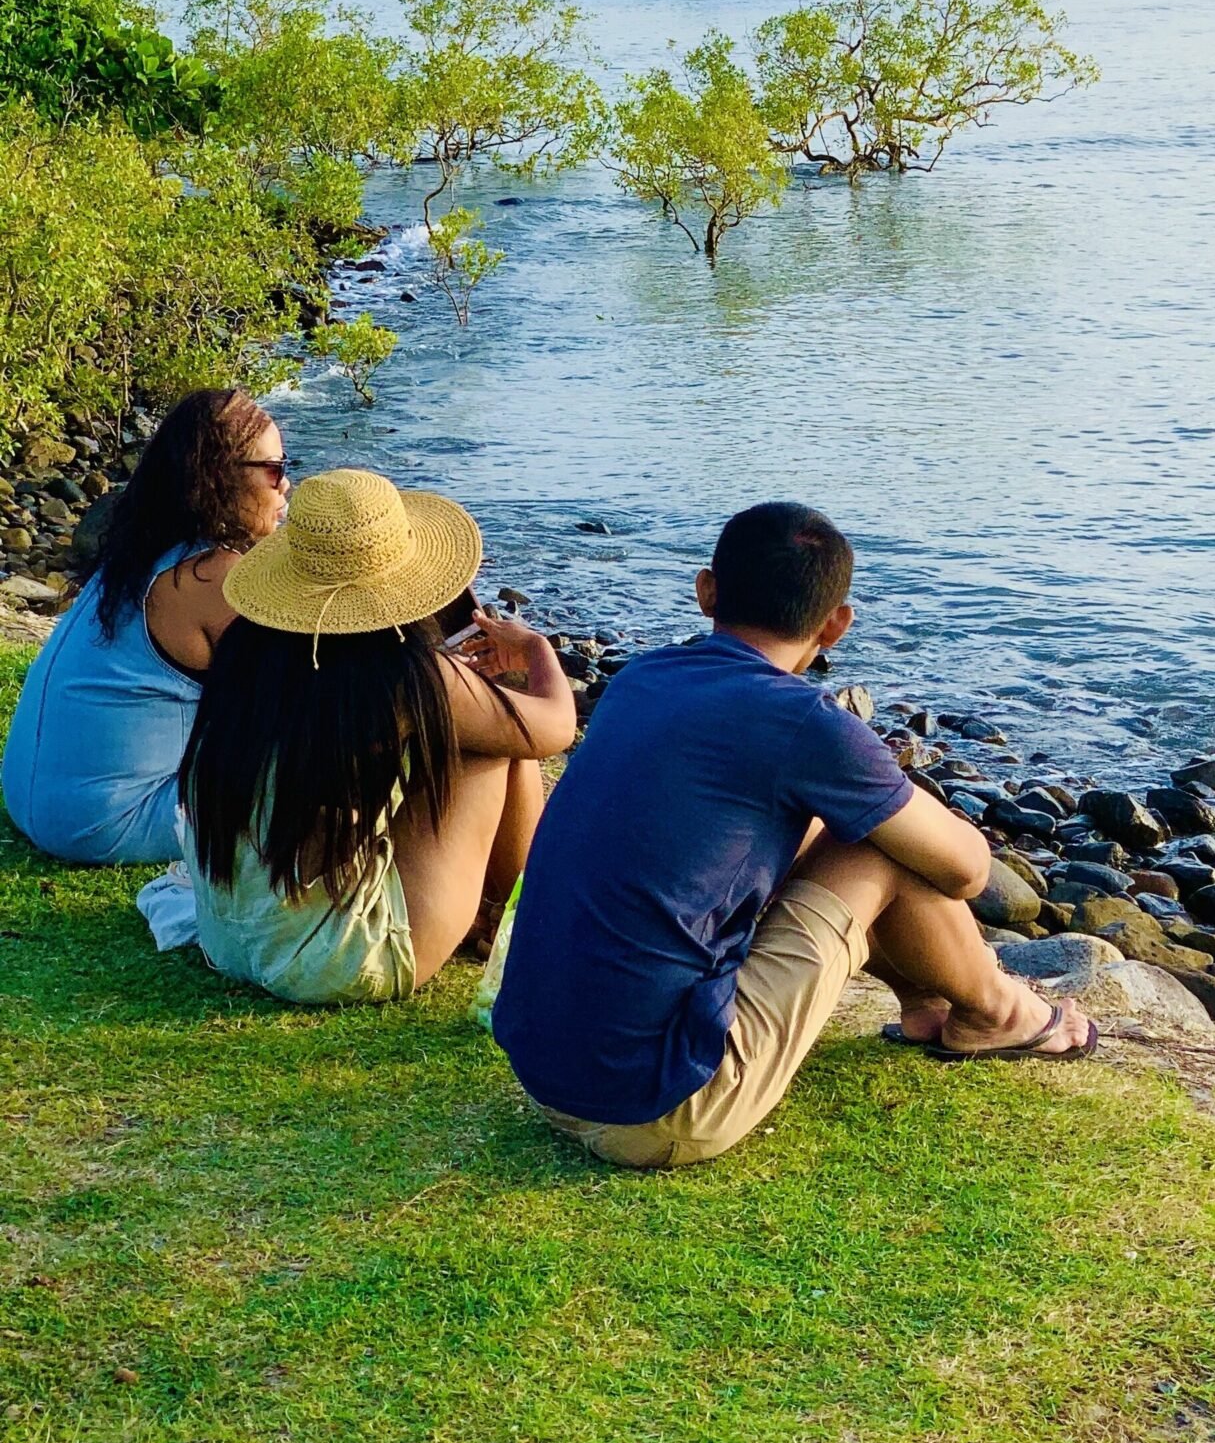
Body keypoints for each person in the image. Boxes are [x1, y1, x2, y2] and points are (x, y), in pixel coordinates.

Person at [491, 500, 1095, 1173]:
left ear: (706, 592)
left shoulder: (641, 679)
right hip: (656, 1111)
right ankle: (1000, 1011)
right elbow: (966, 872)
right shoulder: (802, 721)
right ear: (836, 624)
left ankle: (928, 1003)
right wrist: (885, 784)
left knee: (834, 824)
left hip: (546, 1075)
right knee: (877, 841)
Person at [179, 467, 576, 1006]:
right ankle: (519, 925)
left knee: (476, 727)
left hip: (232, 933)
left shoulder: (248, 653)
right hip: (336, 961)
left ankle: (497, 913)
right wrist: (536, 652)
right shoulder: (406, 677)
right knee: (497, 743)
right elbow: (553, 727)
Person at [1, 388, 290, 864]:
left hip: (39, 801)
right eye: (274, 469)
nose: (285, 487)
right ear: (217, 477)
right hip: (106, 822)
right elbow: (300, 703)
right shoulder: (212, 578)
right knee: (334, 761)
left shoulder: (141, 557)